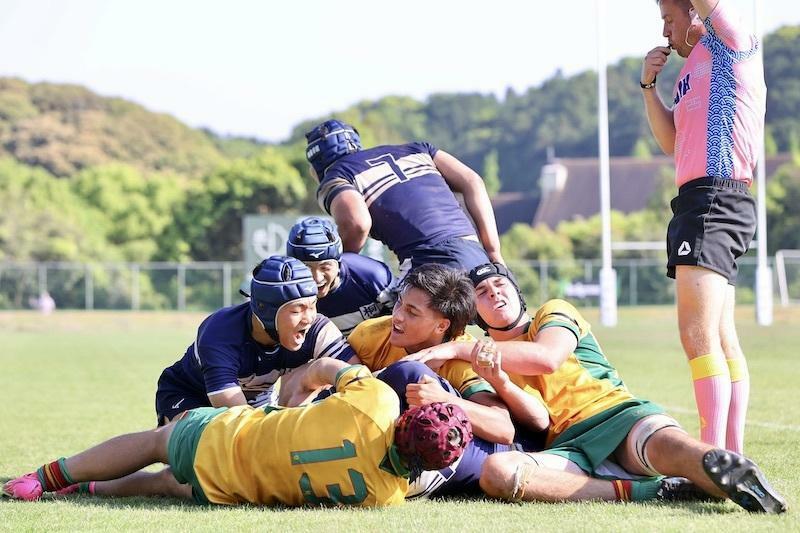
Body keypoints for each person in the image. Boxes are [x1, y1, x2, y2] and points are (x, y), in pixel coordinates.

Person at [405, 263, 787, 513]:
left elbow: (546, 358)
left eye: (500, 284)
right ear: (476, 313)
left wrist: (458, 346)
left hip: (616, 415)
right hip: (567, 447)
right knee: (497, 473)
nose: (495, 294)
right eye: (483, 293)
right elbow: (537, 421)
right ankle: (658, 491)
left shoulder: (553, 311)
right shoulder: (483, 358)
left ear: (517, 291)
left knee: (672, 448)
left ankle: (724, 470)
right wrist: (498, 379)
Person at [1, 358, 473, 507]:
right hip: (232, 491)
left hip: (224, 436)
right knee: (169, 484)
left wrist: (299, 399)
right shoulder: (386, 494)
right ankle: (91, 487)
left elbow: (327, 369)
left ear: (411, 417)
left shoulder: (378, 401)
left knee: (155, 442)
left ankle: (45, 478)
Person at [640, 0, 765, 452]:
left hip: (716, 196)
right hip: (699, 199)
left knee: (697, 334)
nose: (664, 29)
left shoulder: (731, 39)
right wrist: (649, 86)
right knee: (720, 335)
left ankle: (711, 458)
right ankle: (730, 456)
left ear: (695, 13)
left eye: (668, 18)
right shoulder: (692, 66)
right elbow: (672, 142)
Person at [347, 264, 550, 446]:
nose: (397, 316)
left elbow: (504, 429)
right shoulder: (370, 333)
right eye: (399, 303)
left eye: (412, 312)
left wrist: (443, 399)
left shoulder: (462, 363)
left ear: (442, 325)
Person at [154, 255, 353, 425]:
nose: (308, 318)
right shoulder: (220, 333)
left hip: (257, 402)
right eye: (296, 309)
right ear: (264, 310)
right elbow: (239, 420)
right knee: (194, 465)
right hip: (190, 395)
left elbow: (358, 375)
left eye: (312, 305)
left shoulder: (317, 329)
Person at [305, 119, 504, 277]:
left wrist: (344, 269)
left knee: (388, 323)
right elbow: (473, 180)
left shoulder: (337, 176)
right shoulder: (419, 148)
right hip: (475, 252)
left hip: (426, 263)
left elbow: (357, 223)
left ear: (316, 166)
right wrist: (493, 251)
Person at [286, 216, 397, 336]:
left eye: (325, 267)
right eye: (306, 268)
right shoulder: (284, 292)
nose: (317, 278)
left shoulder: (373, 276)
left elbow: (408, 320)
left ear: (338, 262)